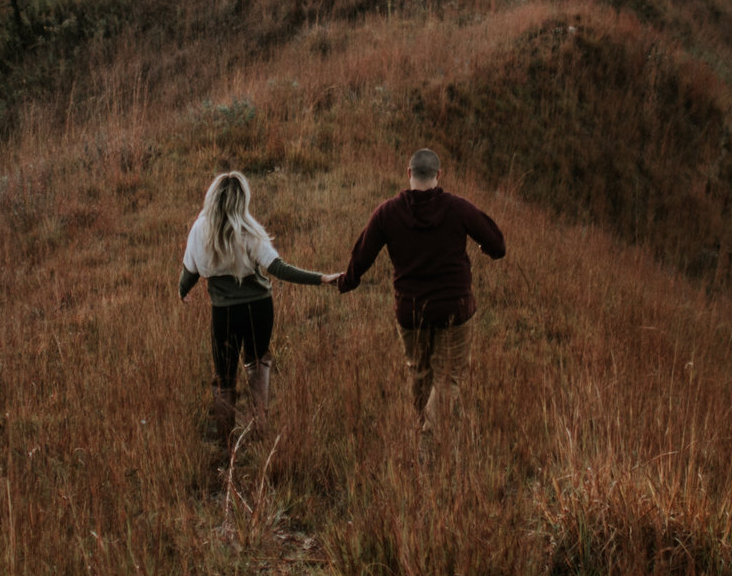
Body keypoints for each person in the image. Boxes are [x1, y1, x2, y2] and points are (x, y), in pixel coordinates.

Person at [334, 148, 507, 444]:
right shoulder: (458, 207)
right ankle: (430, 443)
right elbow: (497, 244)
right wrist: (486, 249)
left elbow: (362, 254)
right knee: (448, 377)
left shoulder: (387, 212)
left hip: (411, 311)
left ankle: (423, 433)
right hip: (455, 308)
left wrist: (346, 281)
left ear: (408, 173)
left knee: (419, 372)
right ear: (439, 175)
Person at [178, 170, 334, 431]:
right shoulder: (249, 230)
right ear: (242, 199)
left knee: (225, 376)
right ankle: (259, 427)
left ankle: (227, 442)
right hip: (259, 309)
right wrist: (321, 278)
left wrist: (183, 291)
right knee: (257, 363)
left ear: (212, 197)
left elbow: (189, 272)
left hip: (224, 314)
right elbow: (279, 268)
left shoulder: (199, 230)